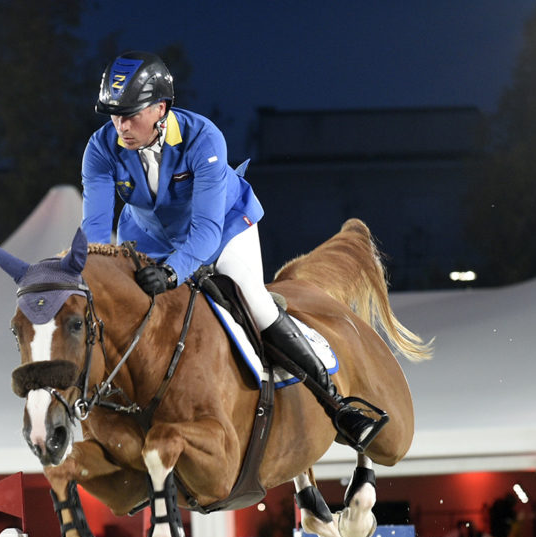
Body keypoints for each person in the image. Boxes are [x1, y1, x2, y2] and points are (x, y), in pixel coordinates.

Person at [82, 51, 376, 451]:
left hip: (223, 227)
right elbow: (97, 233)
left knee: (255, 302)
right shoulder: (101, 148)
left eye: (131, 114)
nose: (121, 126)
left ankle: (339, 406)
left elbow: (204, 231)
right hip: (149, 237)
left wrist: (171, 274)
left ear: (161, 109)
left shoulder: (204, 138)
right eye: (113, 115)